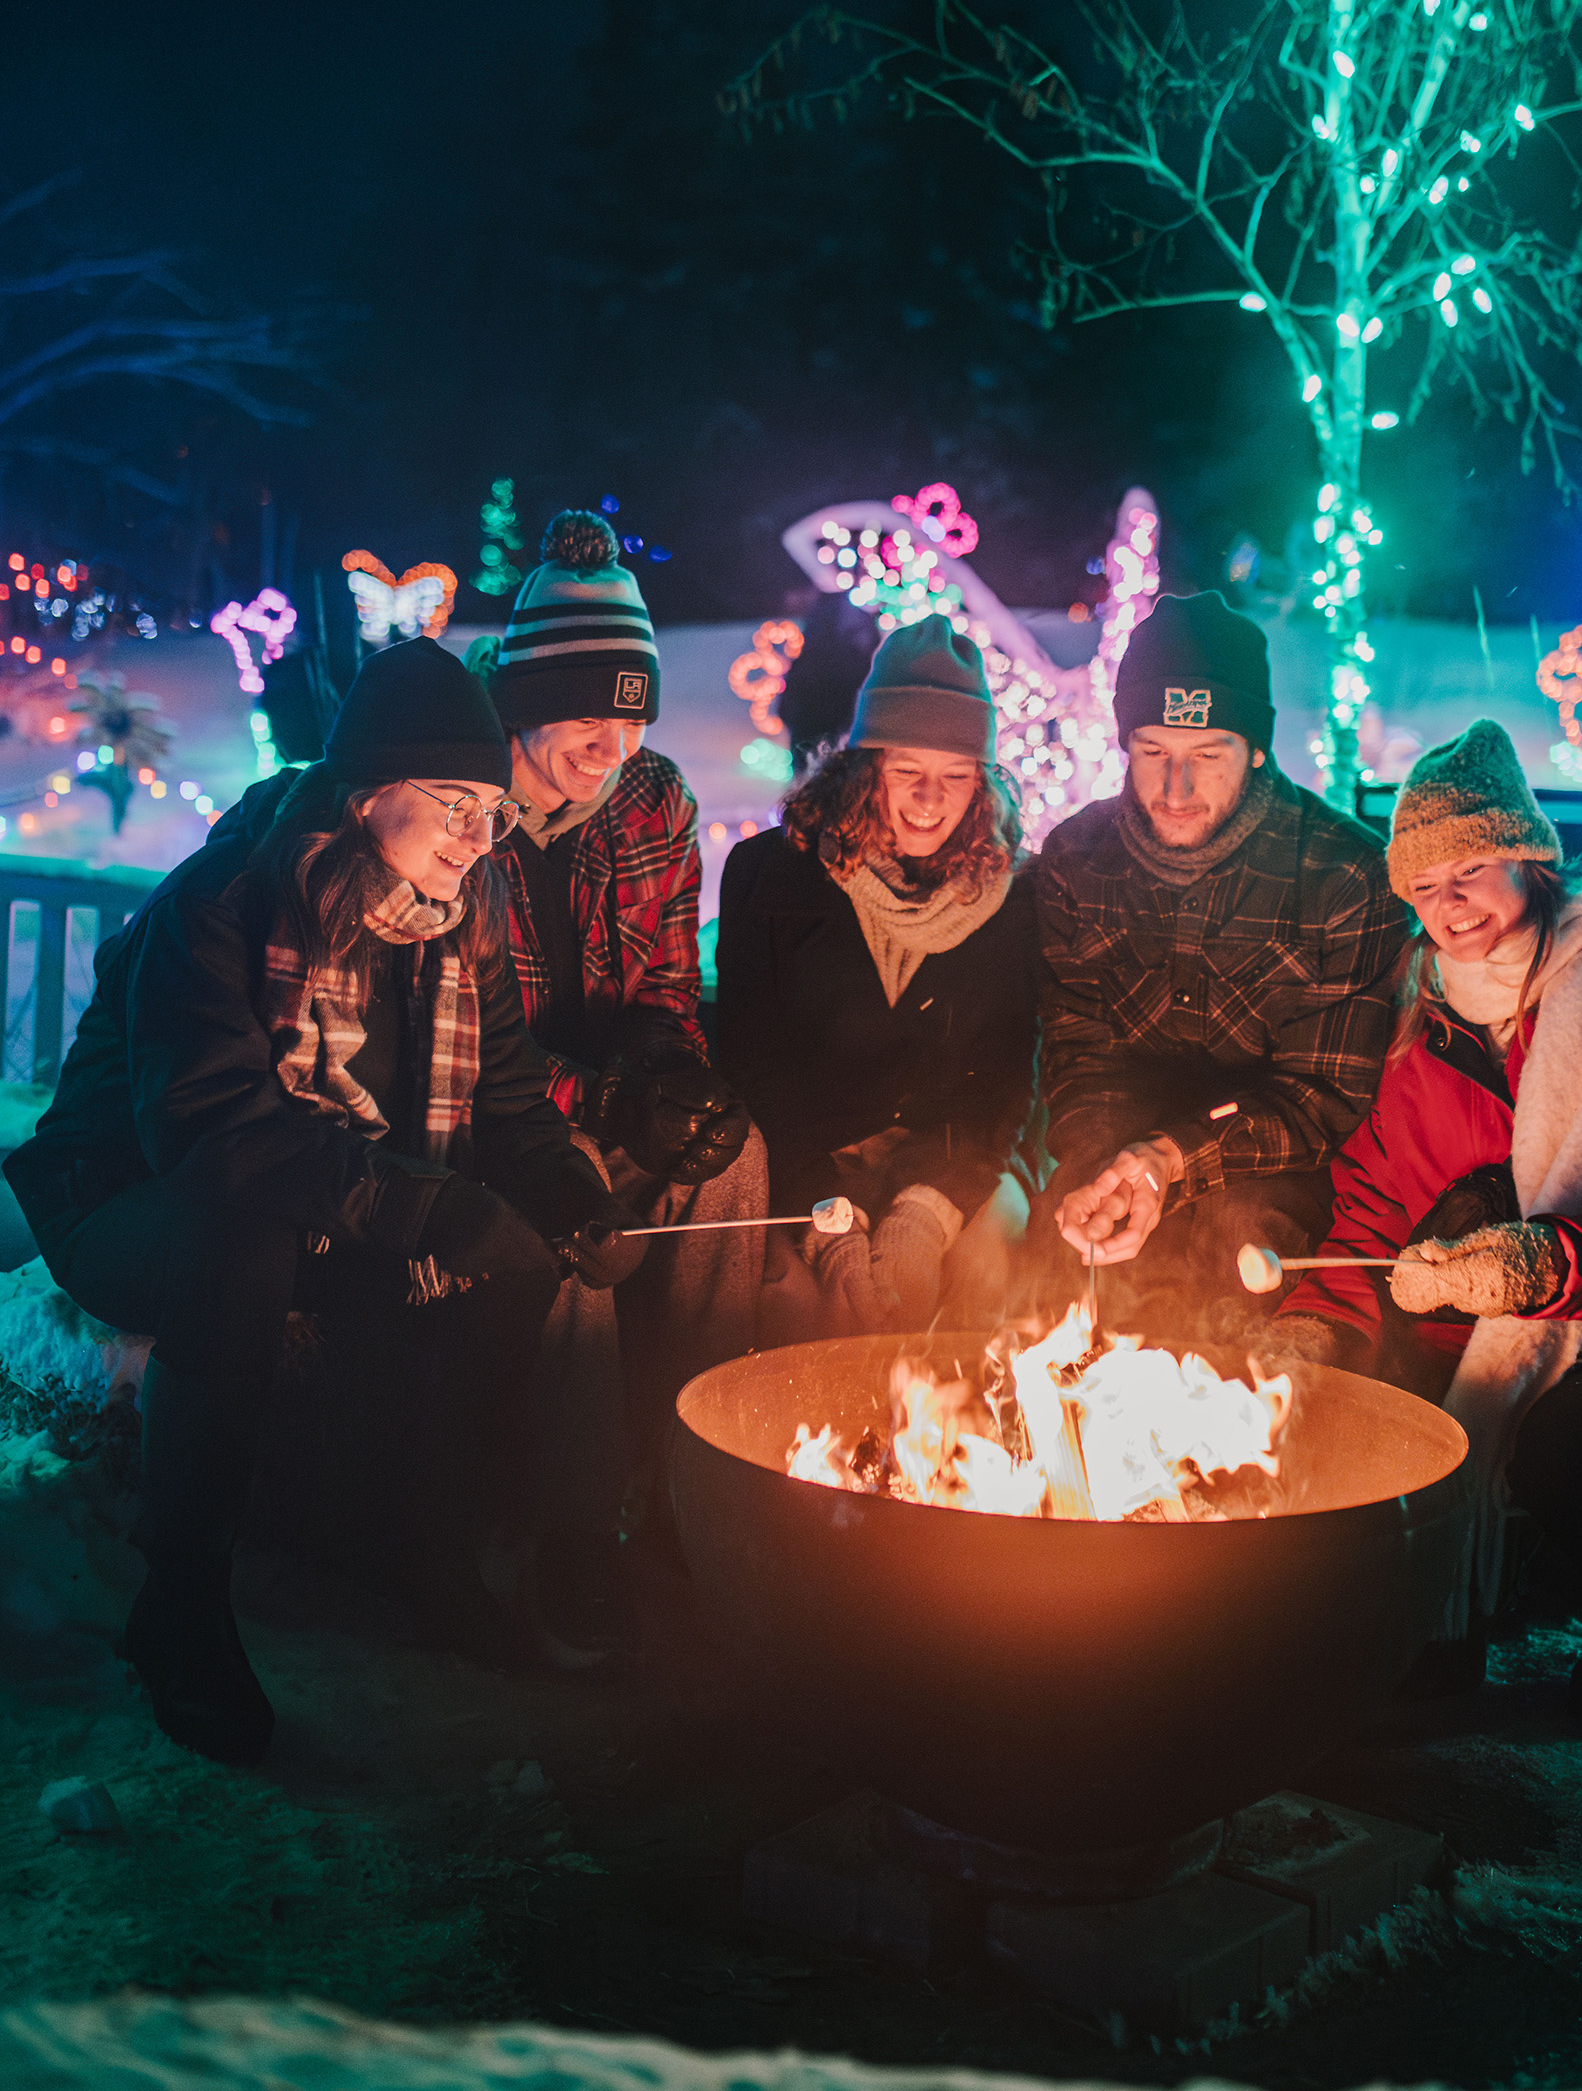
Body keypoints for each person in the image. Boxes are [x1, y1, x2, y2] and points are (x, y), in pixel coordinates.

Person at [3, 637, 640, 1765]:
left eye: (491, 810)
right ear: (364, 795)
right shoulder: (227, 904)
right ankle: (181, 1609)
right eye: (453, 804)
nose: (477, 838)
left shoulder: (461, 917)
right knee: (238, 1250)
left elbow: (508, 1097)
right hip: (128, 1198)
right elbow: (212, 1137)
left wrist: (567, 1196)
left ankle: (428, 1560)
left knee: (512, 1262)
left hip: (305, 1193)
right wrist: (425, 1211)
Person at [1269, 720, 1582, 1728]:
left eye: (1475, 868)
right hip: (1453, 1344)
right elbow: (1368, 1211)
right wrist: (1313, 1330)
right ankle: (1429, 1631)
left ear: (1530, 863)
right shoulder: (1419, 1030)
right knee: (1349, 1419)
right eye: (1426, 882)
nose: (1450, 903)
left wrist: (1546, 1266)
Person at [467, 508, 766, 1453]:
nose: (615, 747)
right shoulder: (456, 806)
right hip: (488, 1115)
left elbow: (666, 992)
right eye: (589, 714)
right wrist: (606, 1099)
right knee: (576, 1182)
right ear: (523, 700)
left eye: (633, 715)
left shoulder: (654, 799)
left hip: (603, 1092)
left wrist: (669, 1075)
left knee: (737, 1158)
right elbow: (467, 1041)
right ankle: (578, 1516)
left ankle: (700, 1456)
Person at [1038, 590, 1406, 1320]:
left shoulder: (1344, 875)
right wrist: (1104, 1173)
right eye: (1154, 753)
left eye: (1207, 755)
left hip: (1275, 1166)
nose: (1176, 788)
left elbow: (1321, 1095)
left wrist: (1170, 1158)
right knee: (1056, 1279)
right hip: (1122, 1144)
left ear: (1257, 748)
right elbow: (1081, 1053)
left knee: (1237, 1249)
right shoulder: (1077, 858)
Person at [716, 616, 1039, 1334]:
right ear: (866, 769)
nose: (931, 800)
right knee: (797, 1305)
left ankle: (969, 1441)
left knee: (992, 1264)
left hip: (956, 1162)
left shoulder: (1013, 897)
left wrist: (923, 1218)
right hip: (808, 1157)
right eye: (908, 773)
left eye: (956, 777)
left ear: (982, 786)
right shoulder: (772, 875)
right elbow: (754, 1067)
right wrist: (830, 1222)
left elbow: (1002, 1090)